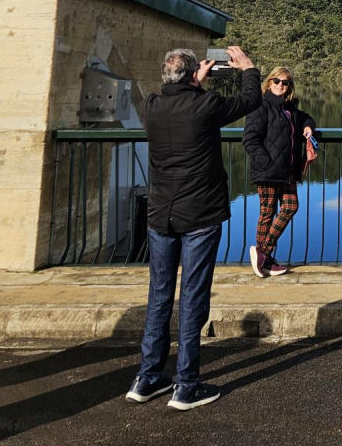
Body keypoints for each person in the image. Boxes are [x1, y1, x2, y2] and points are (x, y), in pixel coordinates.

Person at [126, 45, 260, 411]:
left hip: (160, 217)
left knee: (159, 297)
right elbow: (250, 99)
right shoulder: (206, 106)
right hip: (199, 217)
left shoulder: (150, 106)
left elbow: (176, 100)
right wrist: (247, 67)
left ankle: (147, 378)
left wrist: (193, 81)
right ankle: (186, 386)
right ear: (192, 76)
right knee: (193, 299)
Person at [242, 66, 318, 278]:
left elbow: (306, 117)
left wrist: (309, 127)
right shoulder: (260, 106)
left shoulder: (289, 109)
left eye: (285, 82)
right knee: (267, 214)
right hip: (267, 171)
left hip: (287, 171)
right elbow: (249, 140)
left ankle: (262, 253)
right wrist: (267, 163)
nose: (280, 85)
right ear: (268, 83)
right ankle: (265, 257)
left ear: (289, 87)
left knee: (290, 206)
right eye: (276, 81)